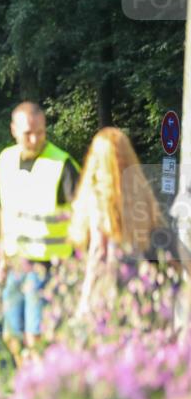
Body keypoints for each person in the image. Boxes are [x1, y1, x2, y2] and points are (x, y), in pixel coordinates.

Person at [68, 127, 191, 316]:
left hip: (110, 296)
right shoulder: (142, 195)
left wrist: (84, 301)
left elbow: (98, 251)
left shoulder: (96, 197)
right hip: (146, 295)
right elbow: (171, 244)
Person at [0, 102, 80, 359]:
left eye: (40, 132)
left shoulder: (62, 164)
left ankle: (37, 393)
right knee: (11, 335)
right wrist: (2, 257)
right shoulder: (6, 159)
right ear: (13, 130)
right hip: (15, 263)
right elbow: (5, 210)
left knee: (36, 336)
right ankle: (27, 384)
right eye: (28, 133)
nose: (35, 139)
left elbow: (84, 215)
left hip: (47, 265)